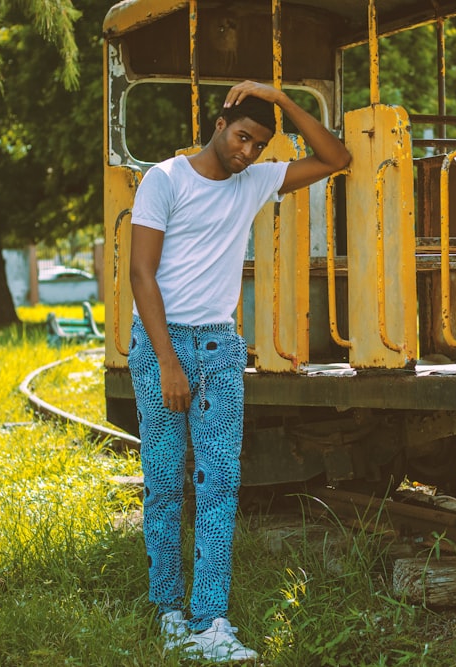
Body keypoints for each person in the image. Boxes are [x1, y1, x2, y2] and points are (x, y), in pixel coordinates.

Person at [127, 80, 350, 662]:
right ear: (220, 123)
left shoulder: (256, 181)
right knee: (165, 482)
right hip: (161, 346)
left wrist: (280, 100)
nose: (247, 152)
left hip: (222, 348)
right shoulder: (165, 180)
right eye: (243, 137)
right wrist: (169, 364)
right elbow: (141, 275)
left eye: (258, 144)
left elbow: (336, 158)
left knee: (221, 484)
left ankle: (210, 622)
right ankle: (168, 613)